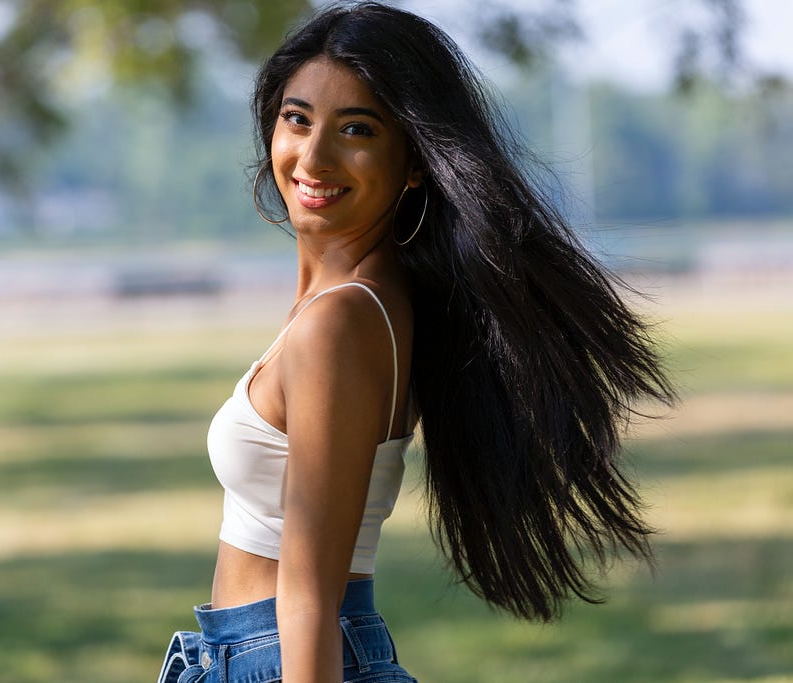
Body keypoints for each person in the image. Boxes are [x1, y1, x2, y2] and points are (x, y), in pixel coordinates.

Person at [157, 2, 675, 682]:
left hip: (283, 657)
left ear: (414, 164)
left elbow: (310, 591)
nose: (313, 156)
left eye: (357, 129)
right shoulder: (370, 299)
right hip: (255, 652)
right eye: (298, 118)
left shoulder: (339, 323)